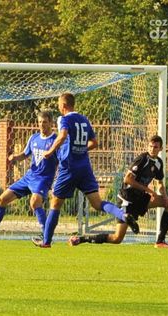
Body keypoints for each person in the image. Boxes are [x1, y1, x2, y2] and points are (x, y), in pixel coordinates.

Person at [33, 92, 139, 248]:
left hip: (69, 168)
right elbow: (94, 143)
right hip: (85, 167)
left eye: (59, 104)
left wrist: (50, 151)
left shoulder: (64, 119)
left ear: (63, 105)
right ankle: (123, 215)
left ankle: (46, 241)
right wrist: (81, 149)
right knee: (97, 203)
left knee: (55, 203)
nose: (58, 107)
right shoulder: (84, 119)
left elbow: (62, 135)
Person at [69, 135, 168, 248]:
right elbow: (127, 179)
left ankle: (160, 241)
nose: (152, 149)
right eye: (150, 146)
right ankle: (81, 239)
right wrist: (149, 191)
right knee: (117, 238)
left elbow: (159, 183)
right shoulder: (142, 159)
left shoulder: (159, 163)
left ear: (161, 149)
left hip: (140, 197)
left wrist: (164, 196)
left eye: (155, 147)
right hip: (127, 198)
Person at [0, 110, 58, 243]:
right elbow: (25, 154)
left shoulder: (56, 141)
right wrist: (15, 157)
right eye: (40, 122)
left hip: (43, 179)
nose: (42, 125)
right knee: (1, 200)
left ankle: (46, 236)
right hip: (29, 177)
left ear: (51, 123)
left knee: (34, 202)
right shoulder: (34, 138)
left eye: (45, 122)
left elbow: (61, 160)